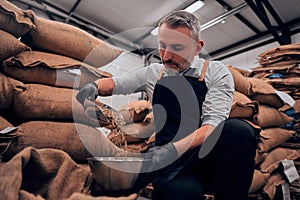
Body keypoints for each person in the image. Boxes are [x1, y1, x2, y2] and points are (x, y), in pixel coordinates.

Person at [76, 10, 258, 200]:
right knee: (182, 194)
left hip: (205, 159)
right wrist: (94, 86)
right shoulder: (154, 73)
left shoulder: (216, 73)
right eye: (162, 46)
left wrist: (168, 152)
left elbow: (212, 126)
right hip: (171, 166)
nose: (166, 56)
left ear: (197, 47)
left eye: (177, 47)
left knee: (239, 131)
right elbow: (117, 84)